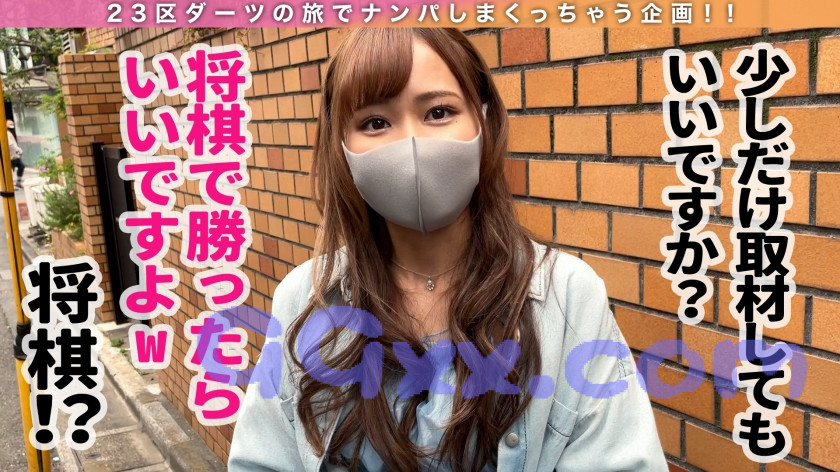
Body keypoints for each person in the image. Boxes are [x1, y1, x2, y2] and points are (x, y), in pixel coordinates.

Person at [228, 28, 668, 472]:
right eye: (375, 123)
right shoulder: (306, 298)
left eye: (439, 112)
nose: (411, 144)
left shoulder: (568, 296)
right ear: (341, 145)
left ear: (483, 121)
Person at [5, 120, 24, 189]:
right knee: (10, 171)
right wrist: (18, 150)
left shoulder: (9, 132)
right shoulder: (6, 133)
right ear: (5, 125)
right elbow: (11, 145)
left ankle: (18, 182)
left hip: (15, 155)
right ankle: (10, 186)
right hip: (11, 156)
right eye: (10, 124)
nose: (12, 126)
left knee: (21, 166)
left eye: (12, 124)